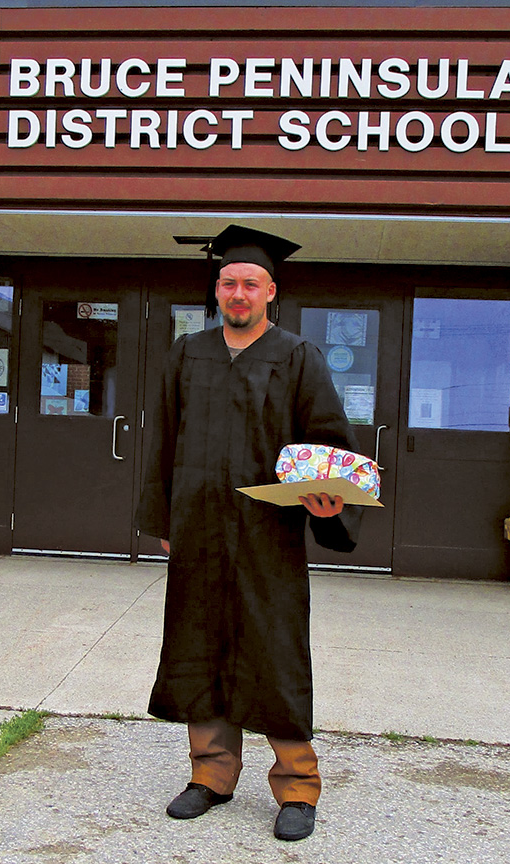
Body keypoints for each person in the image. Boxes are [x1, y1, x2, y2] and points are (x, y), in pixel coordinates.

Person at [136, 224, 362, 842]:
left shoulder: (298, 356)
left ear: (271, 292)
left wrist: (327, 502)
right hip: (199, 525)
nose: (239, 293)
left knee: (275, 651)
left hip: (268, 531)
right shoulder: (187, 353)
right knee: (200, 644)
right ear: (217, 289)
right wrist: (164, 520)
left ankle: (297, 787)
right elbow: (164, 440)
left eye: (251, 284)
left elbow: (328, 441)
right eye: (229, 282)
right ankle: (210, 775)